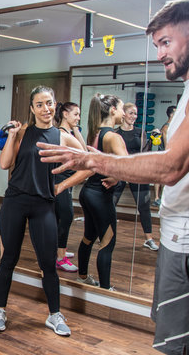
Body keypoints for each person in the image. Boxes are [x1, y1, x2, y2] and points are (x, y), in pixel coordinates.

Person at [38, 0, 189, 354]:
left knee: (182, 348)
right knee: (167, 339)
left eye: (166, 42)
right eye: (157, 45)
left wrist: (93, 160)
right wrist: (93, 159)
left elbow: (171, 167)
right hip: (178, 238)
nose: (160, 53)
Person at [0, 86, 89, 336]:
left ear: (55, 105)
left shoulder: (62, 137)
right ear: (32, 108)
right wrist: (12, 135)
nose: (46, 108)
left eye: (50, 103)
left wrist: (62, 186)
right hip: (14, 202)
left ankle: (54, 315)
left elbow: (88, 165)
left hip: (43, 205)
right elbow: (4, 164)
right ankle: (0, 310)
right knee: (8, 259)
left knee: (48, 263)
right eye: (40, 104)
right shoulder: (22, 132)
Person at [74, 94, 126, 291]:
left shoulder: (94, 134)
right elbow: (127, 166)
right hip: (101, 195)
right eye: (121, 108)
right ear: (112, 110)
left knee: (89, 236)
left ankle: (83, 277)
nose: (122, 113)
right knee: (107, 241)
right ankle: (105, 289)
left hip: (88, 192)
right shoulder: (113, 136)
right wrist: (118, 177)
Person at [113, 102, 159, 251]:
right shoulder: (115, 134)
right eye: (131, 113)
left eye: (135, 114)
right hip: (119, 171)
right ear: (124, 114)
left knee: (144, 206)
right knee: (110, 204)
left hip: (136, 171)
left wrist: (152, 141)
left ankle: (149, 239)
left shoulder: (140, 131)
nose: (134, 116)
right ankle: (106, 236)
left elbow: (144, 151)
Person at [53, 101, 87, 272]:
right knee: (65, 217)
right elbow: (84, 154)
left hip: (66, 180)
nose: (78, 118)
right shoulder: (61, 134)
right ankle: (60, 258)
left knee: (62, 218)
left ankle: (61, 251)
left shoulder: (68, 132)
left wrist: (75, 128)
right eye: (76, 114)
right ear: (65, 114)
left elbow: (84, 150)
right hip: (59, 181)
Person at [152, 105, 176, 207]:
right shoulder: (166, 127)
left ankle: (161, 197)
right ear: (171, 114)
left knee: (164, 178)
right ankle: (157, 197)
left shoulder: (173, 127)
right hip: (163, 154)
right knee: (159, 177)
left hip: (168, 155)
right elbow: (166, 145)